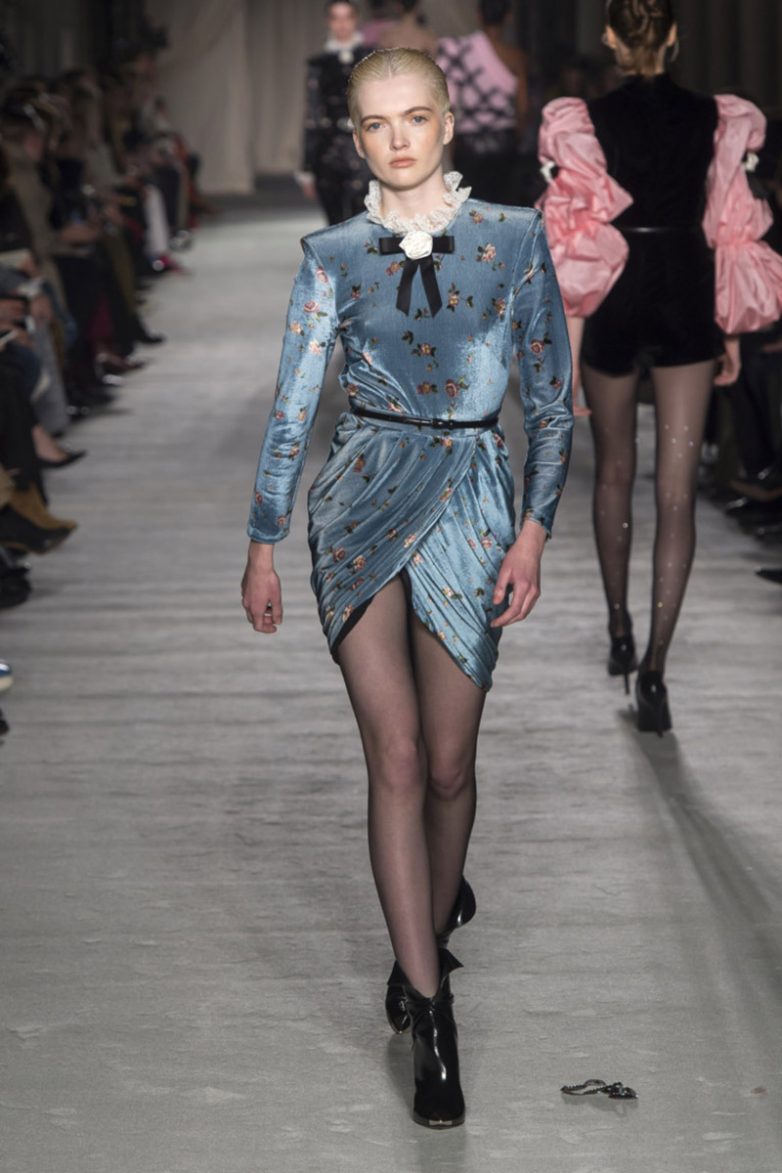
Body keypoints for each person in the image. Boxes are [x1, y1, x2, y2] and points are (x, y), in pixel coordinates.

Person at [242, 48, 573, 1127]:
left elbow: (549, 402)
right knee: (391, 755)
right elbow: (294, 404)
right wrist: (263, 537)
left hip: (474, 497)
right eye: (376, 124)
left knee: (445, 764)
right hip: (358, 502)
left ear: (446, 122)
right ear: (354, 137)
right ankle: (432, 1013)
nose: (397, 140)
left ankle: (428, 920)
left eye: (414, 118)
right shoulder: (331, 255)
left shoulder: (514, 238)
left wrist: (533, 531)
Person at [538, 0, 782, 735]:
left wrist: (567, 352)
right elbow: (728, 218)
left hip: (616, 288)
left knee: (615, 470)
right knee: (676, 492)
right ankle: (654, 666)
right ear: (674, 37)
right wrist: (729, 327)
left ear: (610, 39)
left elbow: (575, 234)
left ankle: (618, 623)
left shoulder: (585, 121)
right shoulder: (715, 115)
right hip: (686, 288)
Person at [436, 0, 528, 203]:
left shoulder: (460, 50)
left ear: (478, 16)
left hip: (469, 144)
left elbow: (450, 103)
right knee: (503, 206)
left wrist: (450, 147)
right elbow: (522, 109)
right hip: (504, 139)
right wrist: (515, 140)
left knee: (471, 207)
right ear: (508, 18)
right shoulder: (515, 57)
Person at [296, 1, 373, 225]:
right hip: (328, 152)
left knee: (364, 221)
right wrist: (307, 166)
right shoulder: (318, 65)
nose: (342, 24)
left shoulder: (372, 59)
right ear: (328, 22)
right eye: (336, 18)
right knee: (335, 224)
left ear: (355, 19)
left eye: (347, 17)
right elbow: (312, 114)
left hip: (365, 149)